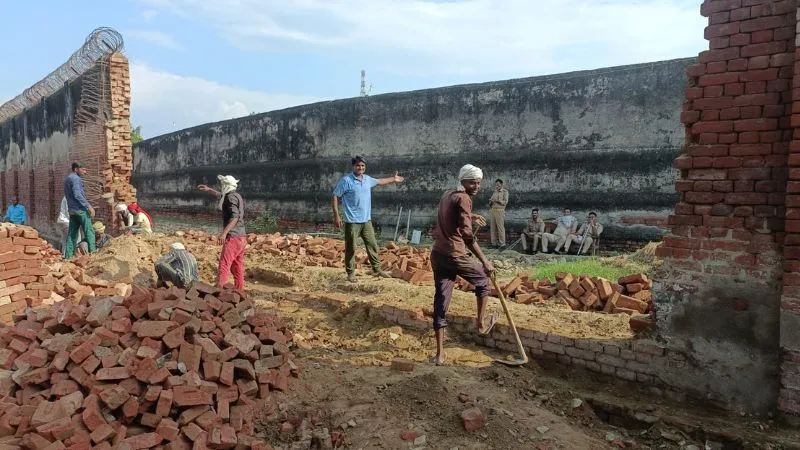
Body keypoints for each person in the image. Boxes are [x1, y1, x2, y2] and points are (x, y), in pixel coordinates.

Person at [430, 164, 497, 365]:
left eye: (478, 182)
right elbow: (468, 236)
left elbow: (449, 216)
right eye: (472, 182)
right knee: (484, 281)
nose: (476, 186)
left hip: (438, 254)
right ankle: (481, 324)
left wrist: (470, 216)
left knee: (441, 300)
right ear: (463, 181)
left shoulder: (448, 194)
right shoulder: (464, 198)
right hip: (455, 254)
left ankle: (440, 354)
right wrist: (485, 261)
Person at [331, 155, 404, 283]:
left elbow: (380, 181)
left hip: (366, 221)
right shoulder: (346, 180)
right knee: (351, 248)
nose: (360, 168)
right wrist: (336, 215)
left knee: (373, 245)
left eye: (363, 166)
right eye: (358, 165)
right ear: (353, 166)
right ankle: (351, 273)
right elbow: (335, 196)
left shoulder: (367, 179)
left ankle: (377, 269)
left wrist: (393, 179)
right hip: (352, 221)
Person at [197, 175, 246, 291]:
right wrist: (209, 190)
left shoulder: (230, 198)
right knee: (237, 266)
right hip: (242, 237)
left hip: (233, 237)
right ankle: (239, 291)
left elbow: (235, 217)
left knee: (224, 264)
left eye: (222, 185)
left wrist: (224, 233)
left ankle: (218, 292)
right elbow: (222, 195)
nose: (221, 187)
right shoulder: (235, 195)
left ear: (226, 185)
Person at [63, 162, 95, 260]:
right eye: (83, 169)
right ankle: (94, 255)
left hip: (72, 211)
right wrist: (89, 206)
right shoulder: (76, 179)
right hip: (80, 210)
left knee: (72, 234)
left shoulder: (68, 178)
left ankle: (68, 257)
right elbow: (77, 194)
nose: (85, 172)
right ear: (76, 169)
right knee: (89, 231)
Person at [488, 179, 509, 247]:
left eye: (498, 185)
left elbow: (505, 202)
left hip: (500, 211)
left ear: (501, 184)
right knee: (493, 227)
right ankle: (494, 243)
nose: (497, 186)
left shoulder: (505, 192)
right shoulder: (494, 192)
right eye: (496, 185)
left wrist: (498, 200)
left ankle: (502, 244)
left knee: (500, 228)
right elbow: (490, 204)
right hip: (493, 211)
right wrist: (491, 201)